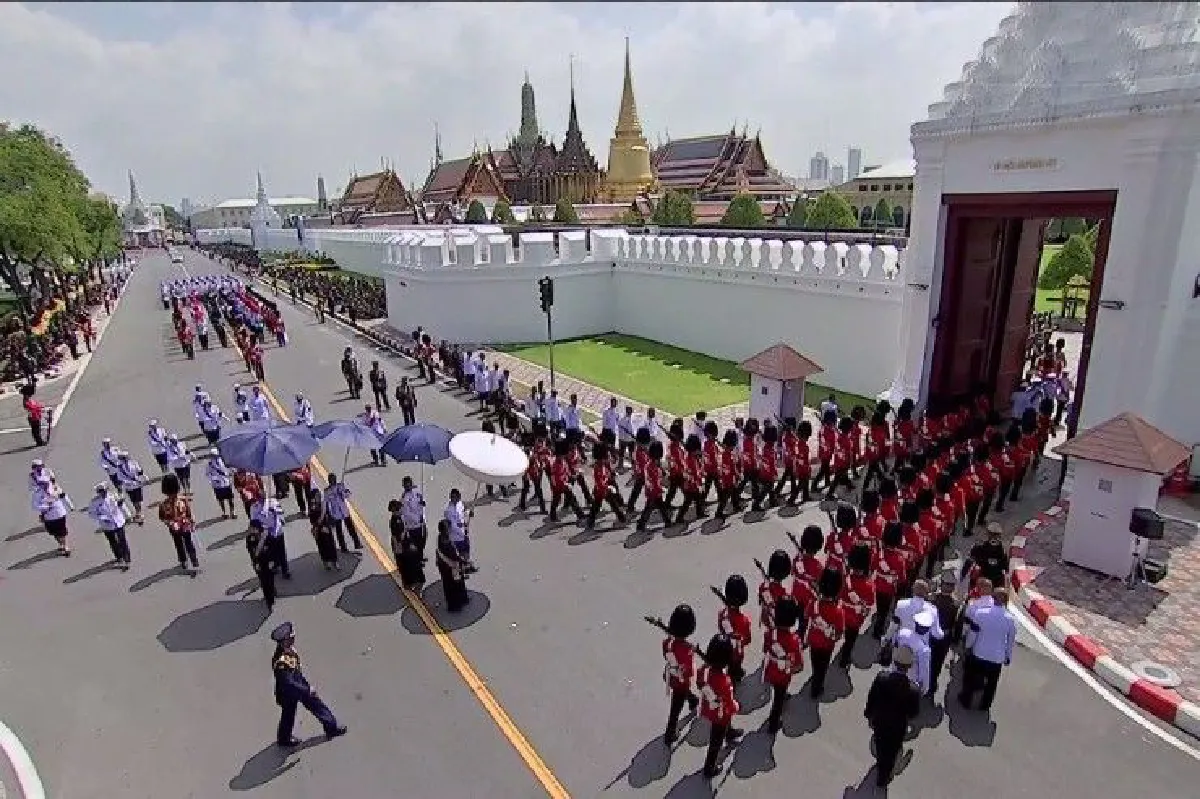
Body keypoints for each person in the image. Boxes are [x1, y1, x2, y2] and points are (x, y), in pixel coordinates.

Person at [270, 622, 347, 746]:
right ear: (284, 641)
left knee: (288, 714)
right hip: (294, 689)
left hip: (290, 689)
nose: (293, 639)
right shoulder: (281, 662)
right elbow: (289, 682)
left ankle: (284, 739)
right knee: (316, 705)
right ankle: (332, 728)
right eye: (291, 637)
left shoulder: (286, 651)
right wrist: (307, 690)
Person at [864, 645, 921, 788]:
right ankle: (884, 775)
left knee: (880, 744)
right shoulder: (913, 689)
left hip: (880, 721)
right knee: (892, 751)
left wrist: (868, 714)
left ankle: (881, 765)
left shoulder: (882, 678)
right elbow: (913, 712)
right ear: (909, 666)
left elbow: (872, 698)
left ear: (895, 662)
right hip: (898, 726)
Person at [959, 587, 1017, 712]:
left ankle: (965, 700)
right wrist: (1008, 657)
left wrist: (967, 647)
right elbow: (1010, 641)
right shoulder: (1010, 620)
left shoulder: (980, 613)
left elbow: (972, 634)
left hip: (978, 653)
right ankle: (985, 705)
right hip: (996, 658)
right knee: (991, 684)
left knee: (969, 678)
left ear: (992, 598)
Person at [697, 634, 742, 779]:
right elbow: (729, 704)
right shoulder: (725, 681)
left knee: (721, 730)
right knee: (715, 742)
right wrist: (736, 707)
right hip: (720, 714)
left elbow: (700, 683)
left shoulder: (703, 671)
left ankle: (729, 733)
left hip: (708, 707)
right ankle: (709, 767)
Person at [661, 603, 700, 744]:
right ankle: (670, 733)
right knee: (675, 710)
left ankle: (692, 700)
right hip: (681, 681)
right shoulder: (687, 650)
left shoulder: (667, 643)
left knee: (682, 694)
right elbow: (689, 671)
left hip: (671, 676)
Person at [763, 597, 803, 734]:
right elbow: (798, 665)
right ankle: (773, 725)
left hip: (770, 670)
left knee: (777, 692)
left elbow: (765, 650)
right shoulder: (794, 640)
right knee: (778, 703)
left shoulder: (769, 634)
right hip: (783, 675)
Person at [928, 572, 962, 695]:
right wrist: (955, 642)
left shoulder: (932, 599)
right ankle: (931, 685)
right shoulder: (956, 604)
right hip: (944, 638)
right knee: (937, 663)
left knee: (927, 660)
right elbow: (957, 626)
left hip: (930, 636)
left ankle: (925, 683)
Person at [158, 473, 199, 572]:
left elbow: (189, 511)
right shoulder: (163, 505)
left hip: (185, 524)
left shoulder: (183, 500)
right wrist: (170, 523)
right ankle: (183, 560)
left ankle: (193, 558)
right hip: (174, 527)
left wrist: (192, 521)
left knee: (189, 542)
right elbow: (162, 517)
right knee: (178, 544)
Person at [716, 574, 752, 685]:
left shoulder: (722, 614)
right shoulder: (744, 620)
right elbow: (747, 640)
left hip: (725, 647)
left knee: (731, 664)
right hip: (737, 650)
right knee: (736, 664)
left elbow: (721, 628)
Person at [87, 483, 132, 569]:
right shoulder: (94, 502)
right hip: (107, 524)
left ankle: (127, 559)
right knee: (113, 541)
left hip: (118, 521)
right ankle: (119, 557)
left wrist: (128, 515)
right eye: (101, 492)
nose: (103, 493)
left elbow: (122, 505)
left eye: (104, 491)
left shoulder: (113, 496)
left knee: (122, 540)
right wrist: (102, 518)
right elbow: (91, 514)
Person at [389, 499, 426, 590]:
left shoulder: (399, 518)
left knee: (407, 564)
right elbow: (399, 537)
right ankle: (408, 583)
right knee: (405, 565)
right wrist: (408, 544)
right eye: (399, 508)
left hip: (403, 544)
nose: (401, 509)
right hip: (401, 546)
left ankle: (410, 581)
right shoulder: (395, 521)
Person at [434, 519, 470, 612]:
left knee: (457, 583)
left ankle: (462, 599)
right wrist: (464, 562)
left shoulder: (442, 537)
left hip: (448, 566)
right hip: (448, 567)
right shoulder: (445, 543)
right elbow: (453, 556)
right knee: (451, 586)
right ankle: (454, 605)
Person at [33, 475, 73, 555]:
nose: (43, 485)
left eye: (45, 483)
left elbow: (64, 496)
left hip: (59, 513)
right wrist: (46, 507)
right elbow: (35, 505)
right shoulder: (37, 493)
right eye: (41, 483)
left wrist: (70, 505)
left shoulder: (55, 488)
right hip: (48, 516)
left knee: (62, 531)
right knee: (54, 532)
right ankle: (60, 544)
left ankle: (65, 546)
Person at [245, 519, 278, 610]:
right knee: (263, 582)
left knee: (270, 581)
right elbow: (252, 553)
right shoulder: (250, 539)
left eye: (252, 528)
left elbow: (273, 549)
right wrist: (255, 563)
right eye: (250, 528)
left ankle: (271, 593)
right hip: (259, 563)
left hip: (268, 563)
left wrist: (272, 561)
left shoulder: (267, 536)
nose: (251, 530)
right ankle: (269, 601)